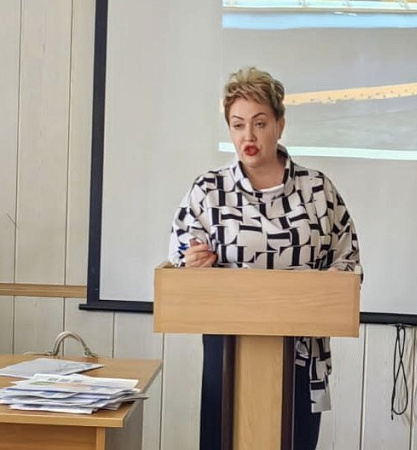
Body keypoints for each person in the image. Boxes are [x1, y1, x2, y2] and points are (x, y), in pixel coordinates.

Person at [168, 67, 361, 450]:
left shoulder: (317, 190)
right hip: (228, 357)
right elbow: (177, 260)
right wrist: (191, 266)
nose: (249, 136)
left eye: (260, 123)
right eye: (238, 125)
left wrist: (324, 288)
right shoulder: (209, 191)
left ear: (280, 125)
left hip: (299, 357)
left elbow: (348, 262)